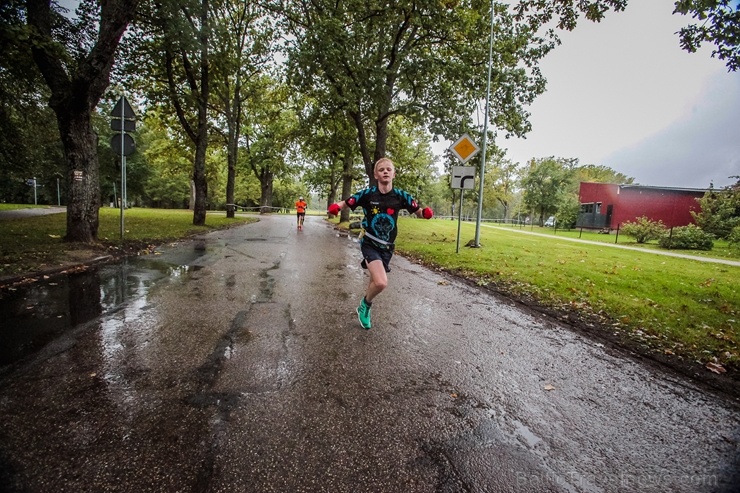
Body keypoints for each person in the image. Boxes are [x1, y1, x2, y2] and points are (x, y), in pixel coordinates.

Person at [328, 157, 433, 329]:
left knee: (374, 281)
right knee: (381, 282)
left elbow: (418, 211)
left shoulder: (401, 196)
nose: (385, 171)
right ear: (376, 174)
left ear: (394, 174)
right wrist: (336, 208)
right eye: (381, 169)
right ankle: (365, 305)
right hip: (370, 242)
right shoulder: (368, 194)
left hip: (388, 247)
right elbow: (347, 202)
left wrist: (426, 213)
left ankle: (365, 308)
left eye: (388, 169)